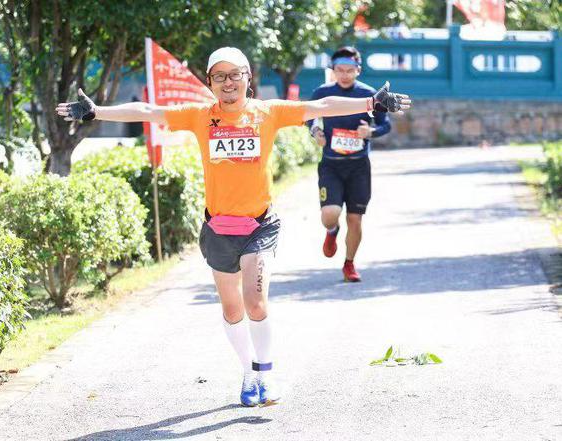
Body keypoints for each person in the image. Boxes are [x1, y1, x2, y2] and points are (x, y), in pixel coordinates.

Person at [56, 47, 410, 407]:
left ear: (247, 77)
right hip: (218, 229)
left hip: (260, 225)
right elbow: (149, 111)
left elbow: (320, 107)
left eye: (234, 74)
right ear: (210, 82)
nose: (228, 82)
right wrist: (98, 111)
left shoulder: (267, 112)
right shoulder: (198, 115)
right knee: (232, 311)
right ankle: (248, 372)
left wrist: (370, 103)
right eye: (219, 76)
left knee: (255, 303)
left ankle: (266, 375)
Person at [308, 46, 391, 283]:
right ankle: (331, 231)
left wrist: (371, 132)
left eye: (349, 70)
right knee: (330, 214)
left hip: (358, 166)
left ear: (358, 70)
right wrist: (315, 130)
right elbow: (308, 117)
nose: (344, 75)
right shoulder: (322, 93)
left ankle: (349, 264)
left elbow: (386, 125)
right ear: (333, 70)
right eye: (339, 70)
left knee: (355, 219)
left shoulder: (370, 94)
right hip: (331, 165)